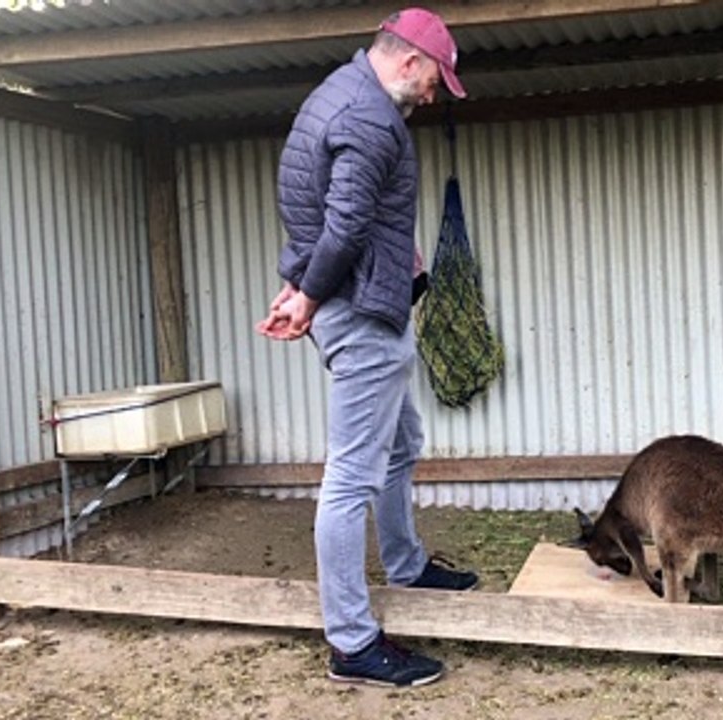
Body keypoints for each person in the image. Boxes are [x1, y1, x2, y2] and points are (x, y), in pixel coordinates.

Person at [256, 7, 477, 689]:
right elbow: (345, 224)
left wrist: (300, 288)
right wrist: (312, 297)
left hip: (355, 299)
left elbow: (310, 206)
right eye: (436, 80)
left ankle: (407, 565)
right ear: (410, 60)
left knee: (401, 440)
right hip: (361, 311)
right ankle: (352, 643)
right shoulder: (371, 120)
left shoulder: (337, 93)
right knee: (351, 475)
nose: (434, 95)